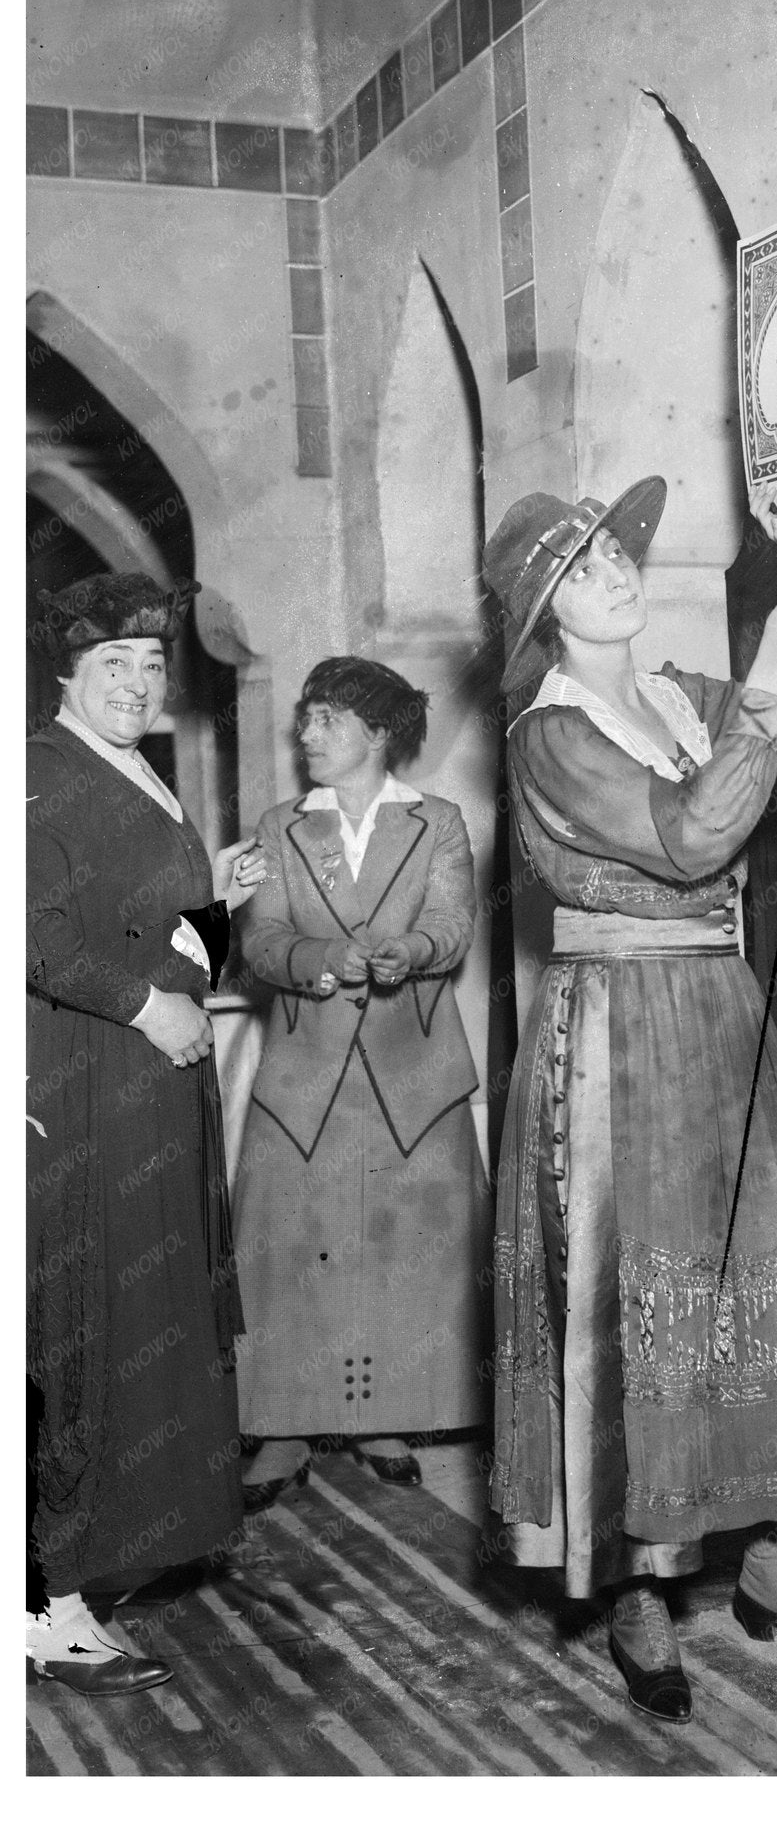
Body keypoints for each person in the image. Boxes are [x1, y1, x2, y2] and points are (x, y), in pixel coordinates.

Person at [483, 476, 777, 1724]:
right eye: (580, 570)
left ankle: (763, 1549)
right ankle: (638, 1583)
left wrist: (764, 685)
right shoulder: (550, 734)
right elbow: (695, 840)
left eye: (615, 554)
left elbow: (756, 815)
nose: (615, 575)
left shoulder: (681, 696)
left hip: (721, 1008)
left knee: (747, 1266)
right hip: (617, 1033)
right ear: (545, 614)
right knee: (637, 1290)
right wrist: (764, 690)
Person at [26, 572, 265, 1695]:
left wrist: (210, 899)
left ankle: (93, 1563)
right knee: (80, 1320)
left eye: (151, 663)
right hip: (90, 1083)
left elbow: (151, 921)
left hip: (153, 1087)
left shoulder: (135, 772)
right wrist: (147, 1004)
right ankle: (43, 1602)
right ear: (68, 676)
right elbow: (36, 937)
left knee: (140, 1314)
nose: (135, 681)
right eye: (111, 663)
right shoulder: (38, 770)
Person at [231, 657, 489, 1510]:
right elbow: (261, 942)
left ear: (379, 735)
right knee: (296, 1250)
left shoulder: (439, 823)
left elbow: (452, 922)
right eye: (305, 718)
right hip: (304, 1075)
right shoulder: (278, 828)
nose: (307, 733)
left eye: (328, 719)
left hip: (413, 1071)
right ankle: (284, 1426)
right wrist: (317, 961)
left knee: (397, 1252)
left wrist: (410, 953)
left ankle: (383, 1416)